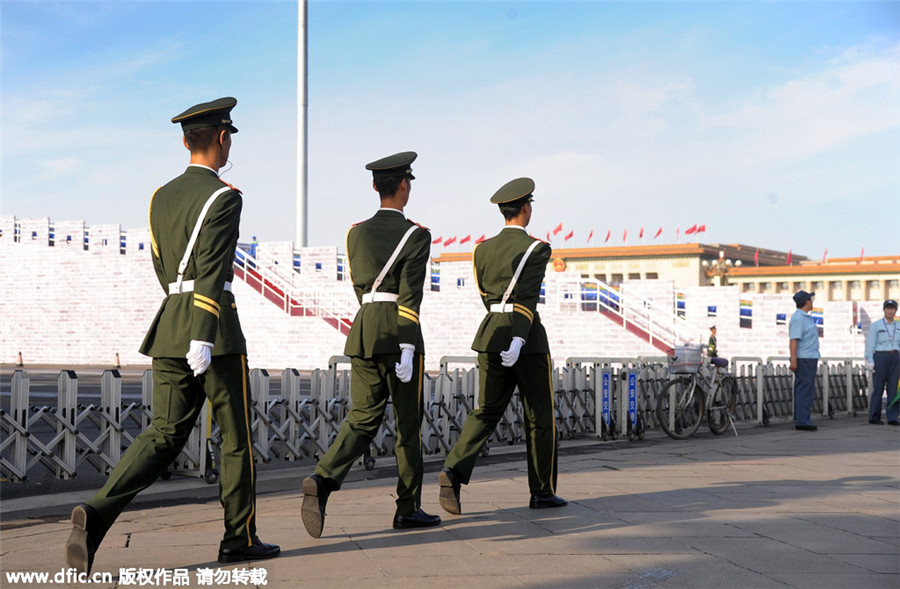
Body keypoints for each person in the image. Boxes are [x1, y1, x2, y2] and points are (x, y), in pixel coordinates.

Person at [64, 97, 279, 574]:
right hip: (214, 331)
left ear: (186, 140)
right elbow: (213, 269)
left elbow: (166, 269)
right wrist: (203, 331)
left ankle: (97, 514)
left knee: (163, 434)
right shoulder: (225, 197)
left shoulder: (158, 197)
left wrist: (184, 320)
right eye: (229, 138)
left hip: (169, 323)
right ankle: (238, 538)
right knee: (235, 437)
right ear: (222, 138)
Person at [300, 151, 440, 536]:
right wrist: (409, 347)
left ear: (375, 186)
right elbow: (411, 294)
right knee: (407, 426)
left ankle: (324, 479)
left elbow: (362, 286)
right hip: (399, 332)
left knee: (362, 418)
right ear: (405, 186)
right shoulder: (416, 235)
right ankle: (407, 508)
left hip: (363, 331)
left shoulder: (355, 232)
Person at [439, 177, 566, 515]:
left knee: (487, 410)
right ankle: (541, 490)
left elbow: (486, 295)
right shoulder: (537, 248)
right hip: (526, 340)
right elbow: (527, 298)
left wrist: (502, 325)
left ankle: (453, 470)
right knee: (539, 416)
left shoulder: (481, 249)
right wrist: (520, 335)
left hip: (490, 333)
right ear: (526, 209)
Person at [864, 299, 900, 425]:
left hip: (895, 357)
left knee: (893, 389)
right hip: (880, 357)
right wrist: (869, 359)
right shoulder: (876, 325)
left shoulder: (899, 325)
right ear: (884, 310)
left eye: (892, 308)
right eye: (887, 308)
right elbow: (870, 343)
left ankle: (892, 417)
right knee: (878, 388)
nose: (890, 311)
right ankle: (874, 416)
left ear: (896, 310)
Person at [789, 290, 820, 432]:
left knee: (804, 389)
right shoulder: (799, 318)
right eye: (810, 299)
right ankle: (803, 421)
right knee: (805, 391)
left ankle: (801, 418)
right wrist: (794, 360)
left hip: (810, 357)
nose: (812, 301)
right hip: (804, 358)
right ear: (806, 302)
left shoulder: (806, 317)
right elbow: (794, 340)